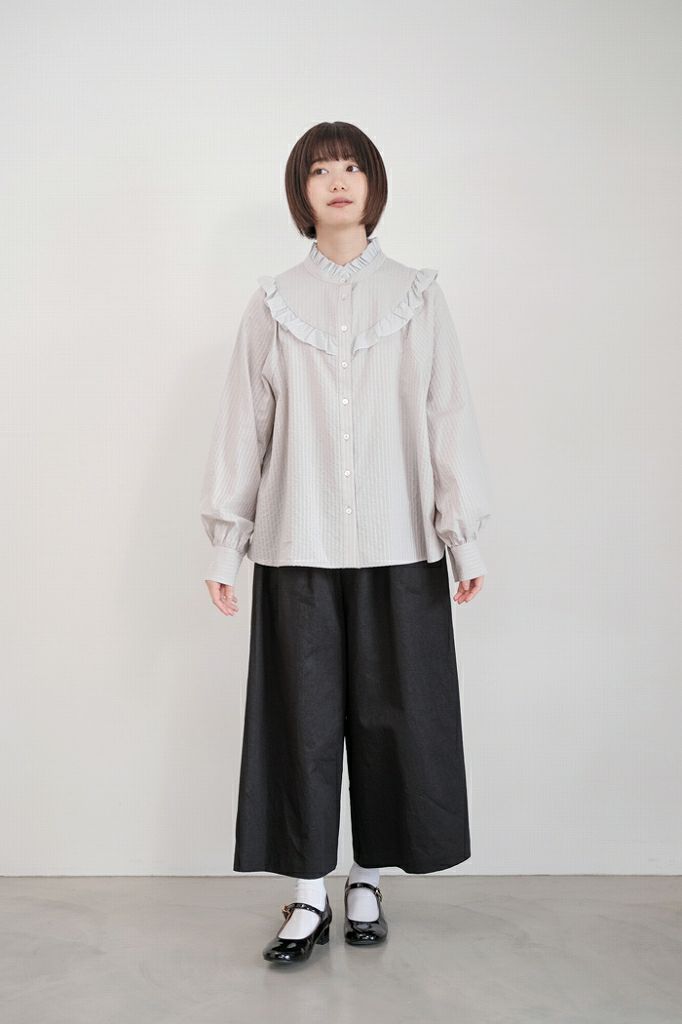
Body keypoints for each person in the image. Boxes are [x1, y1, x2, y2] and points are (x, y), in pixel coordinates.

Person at [200, 121, 493, 965]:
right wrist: (226, 546)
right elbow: (243, 427)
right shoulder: (272, 302)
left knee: (394, 719)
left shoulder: (418, 295)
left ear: (373, 184)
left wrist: (462, 538)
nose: (337, 180)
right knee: (300, 724)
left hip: (400, 543)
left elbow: (448, 415)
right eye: (320, 169)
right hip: (297, 544)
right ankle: (307, 894)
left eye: (352, 166)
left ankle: (367, 879)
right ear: (301, 191)